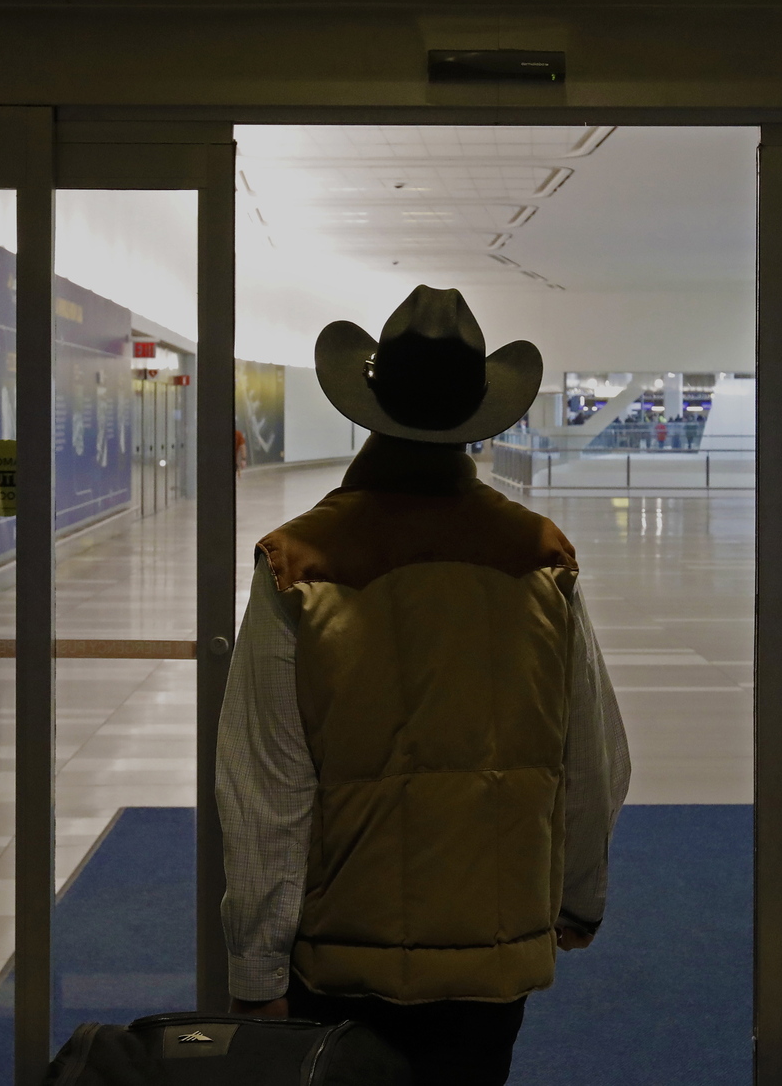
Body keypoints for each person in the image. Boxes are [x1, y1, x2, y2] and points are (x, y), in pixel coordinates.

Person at [217, 285, 631, 1086]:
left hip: (338, 958)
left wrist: (256, 970)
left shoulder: (297, 564)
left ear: (371, 409)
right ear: (477, 420)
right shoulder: (541, 557)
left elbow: (266, 787)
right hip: (496, 953)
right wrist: (575, 898)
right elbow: (595, 758)